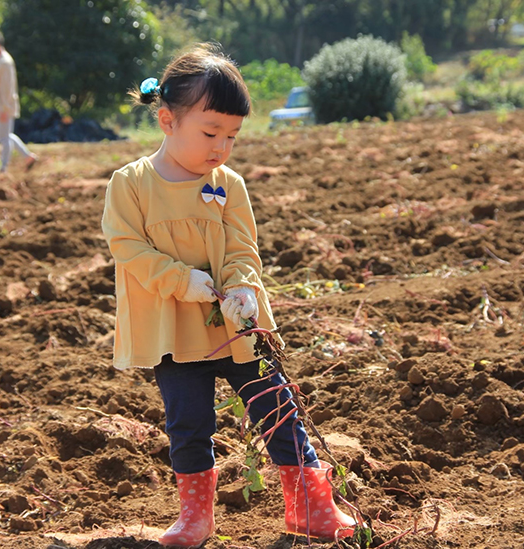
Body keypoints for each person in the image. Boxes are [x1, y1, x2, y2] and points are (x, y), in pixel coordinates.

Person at [101, 43, 357, 547]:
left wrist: (240, 285)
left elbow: (244, 248)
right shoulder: (130, 184)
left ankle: (310, 506)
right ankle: (195, 518)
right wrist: (182, 280)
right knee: (187, 424)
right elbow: (127, 247)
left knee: (277, 407)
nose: (221, 146)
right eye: (210, 132)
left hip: (237, 327)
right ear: (168, 120)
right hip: (174, 330)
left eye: (232, 136)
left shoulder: (229, 185)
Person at [0, 31, 37, 173]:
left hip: (4, 107)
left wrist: (4, 110)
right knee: (4, 136)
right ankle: (28, 156)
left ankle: (3, 168)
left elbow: (7, 89)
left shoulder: (5, 62)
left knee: (5, 138)